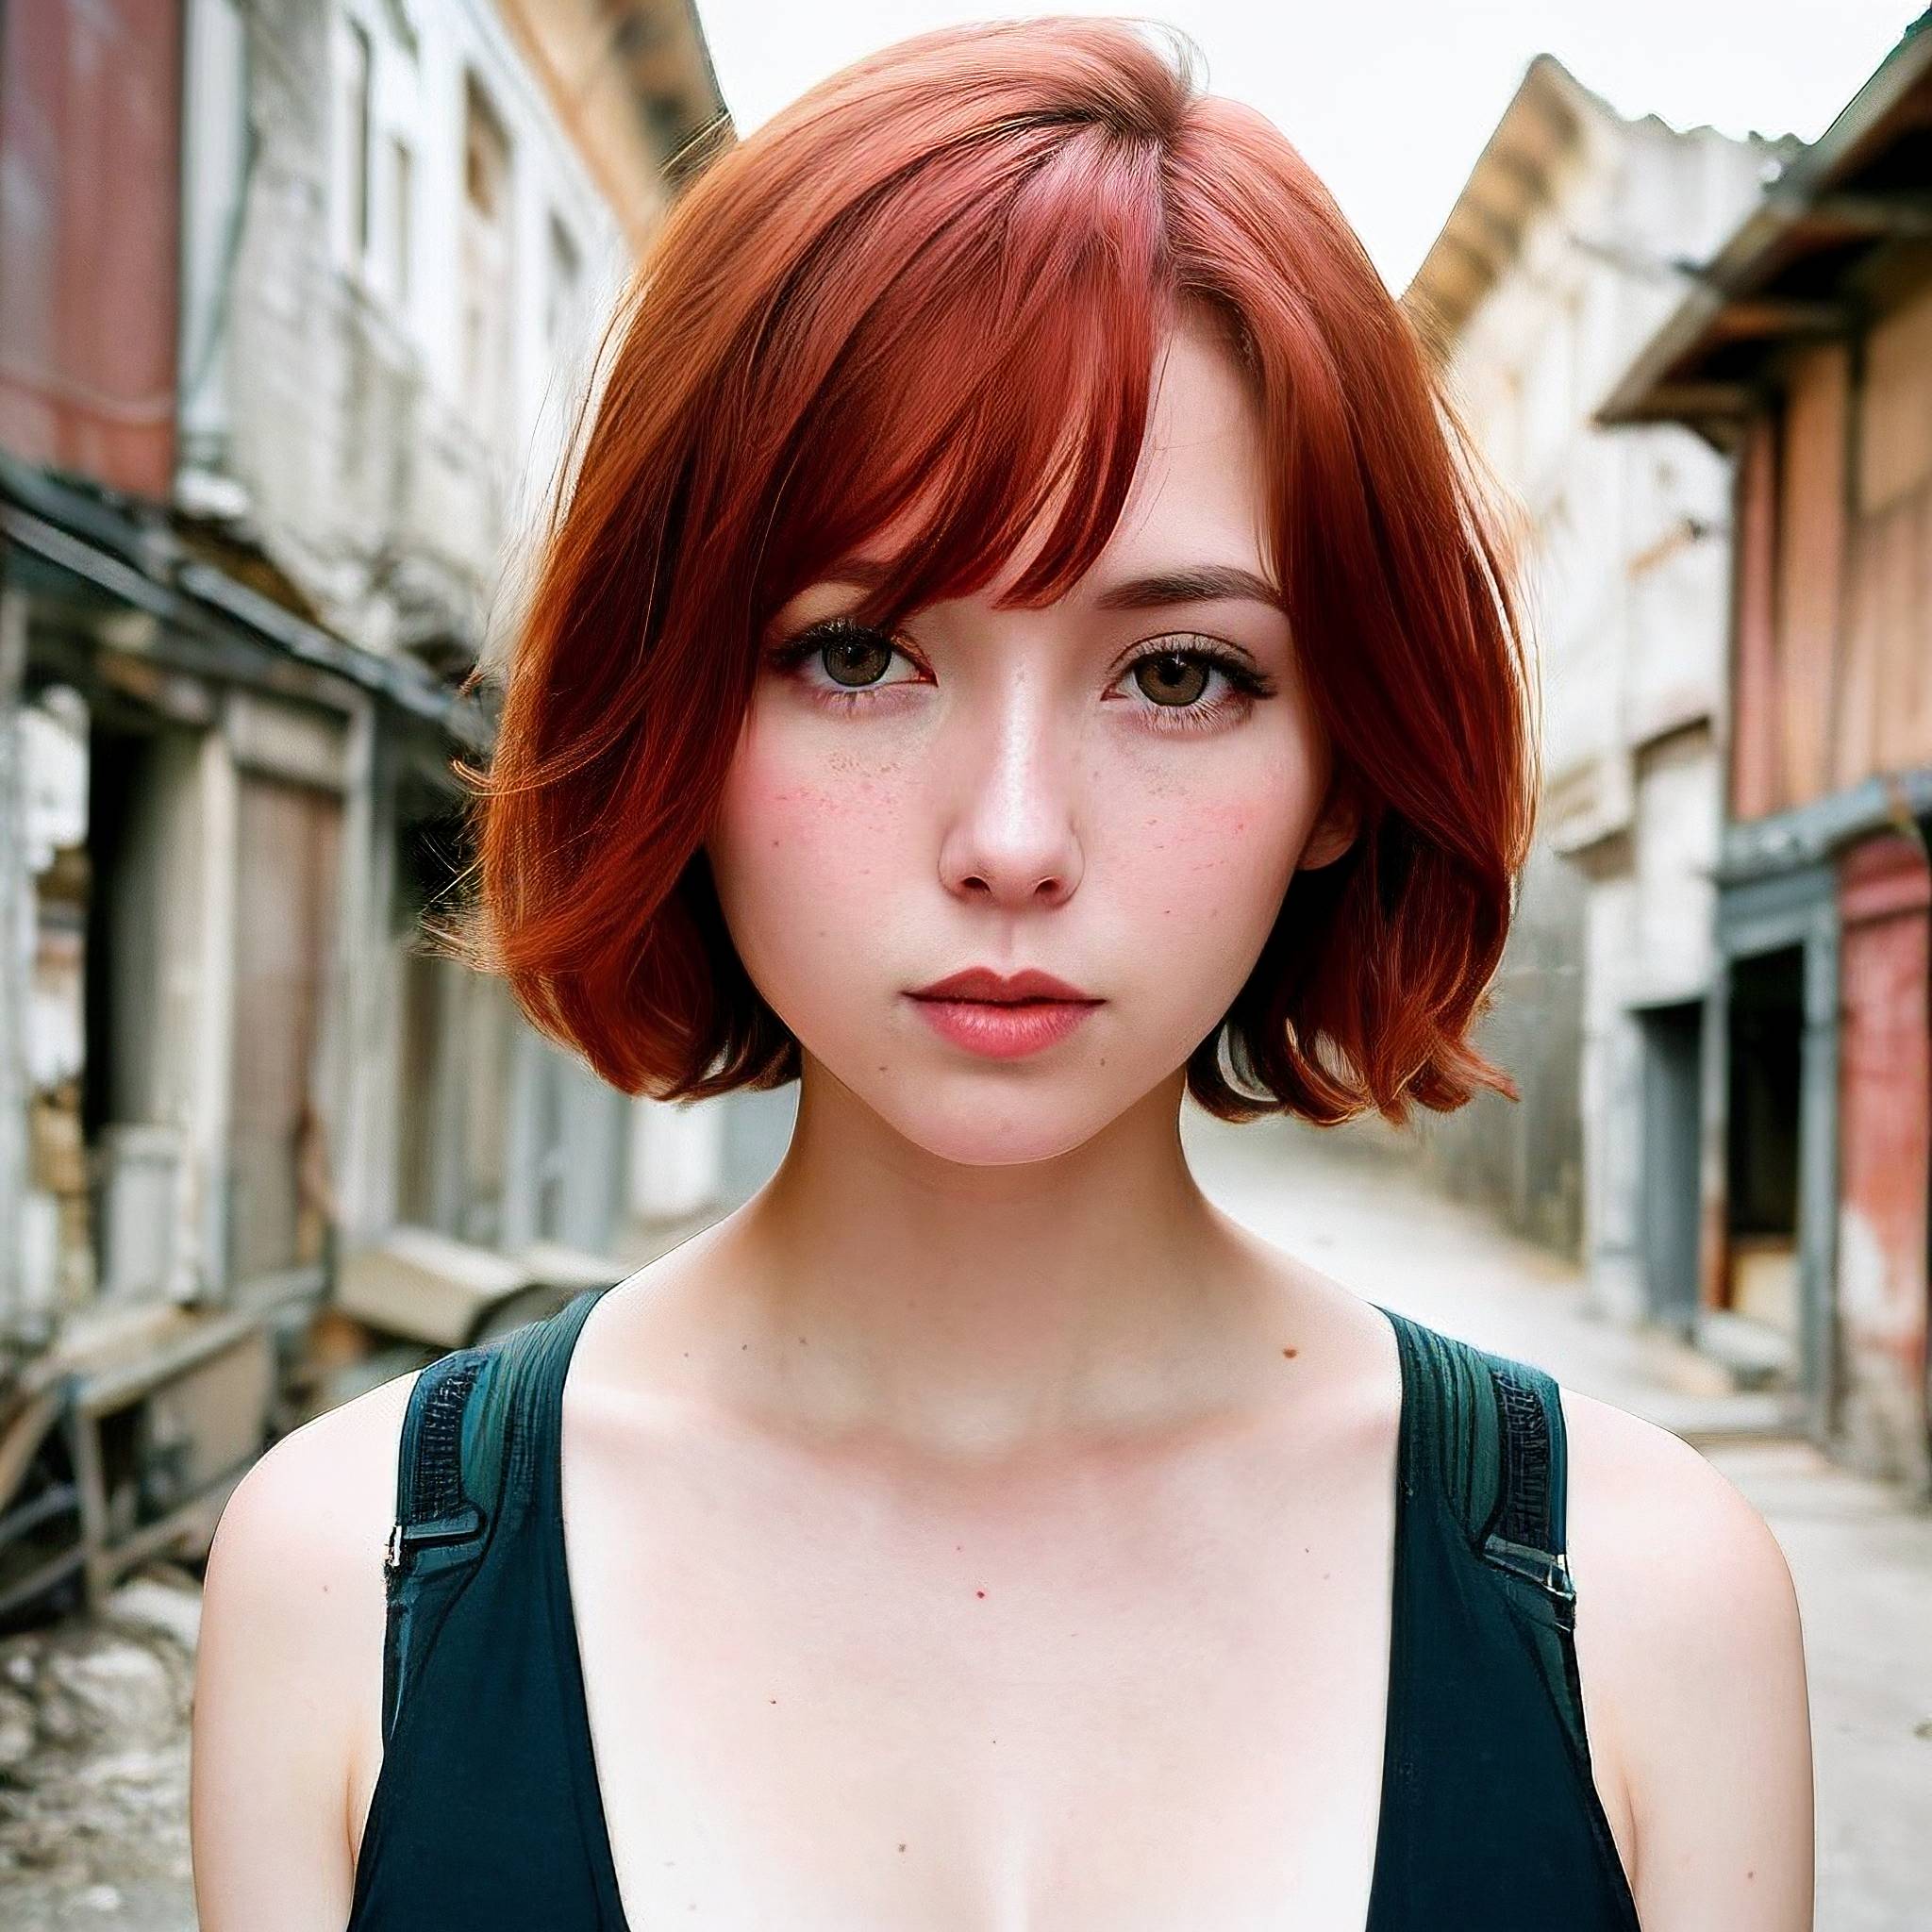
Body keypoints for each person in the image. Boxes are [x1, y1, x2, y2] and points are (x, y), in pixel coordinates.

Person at [188, 16, 1813, 1929]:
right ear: (680, 707)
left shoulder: (1647, 1607)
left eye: (1179, 670)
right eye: (859, 651)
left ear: (1339, 770)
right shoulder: (345, 1580)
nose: (1014, 834)